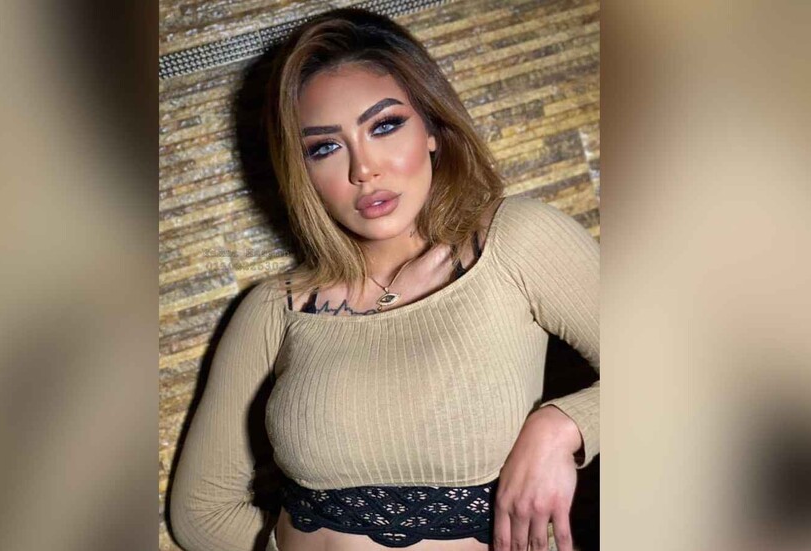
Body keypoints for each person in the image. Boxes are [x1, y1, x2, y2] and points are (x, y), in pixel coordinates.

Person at [170, 8, 599, 551]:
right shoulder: (276, 309)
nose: (363, 169)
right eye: (325, 147)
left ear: (432, 130)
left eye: (385, 125)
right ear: (303, 173)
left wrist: (562, 426)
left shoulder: (517, 241)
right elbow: (201, 514)